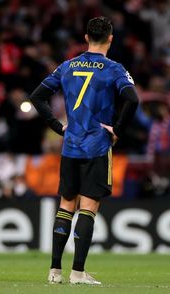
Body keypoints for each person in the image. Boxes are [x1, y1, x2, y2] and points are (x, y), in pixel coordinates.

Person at [30, 16, 139, 285]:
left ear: (86, 37)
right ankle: (78, 272)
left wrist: (58, 127)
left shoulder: (67, 66)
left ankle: (55, 271)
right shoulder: (114, 69)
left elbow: (37, 96)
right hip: (97, 144)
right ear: (110, 38)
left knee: (66, 205)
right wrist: (118, 129)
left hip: (71, 145)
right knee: (88, 208)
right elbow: (132, 99)